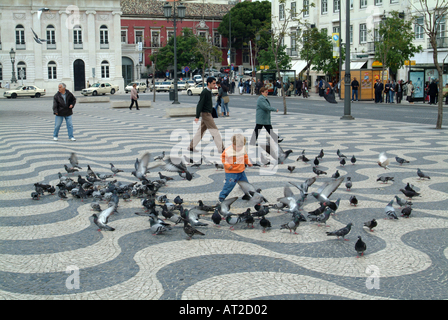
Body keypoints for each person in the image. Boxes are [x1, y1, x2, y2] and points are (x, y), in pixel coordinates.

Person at [189, 77, 224, 153]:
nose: (215, 85)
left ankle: (191, 146)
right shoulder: (205, 92)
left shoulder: (209, 91)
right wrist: (197, 116)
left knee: (200, 131)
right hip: (206, 115)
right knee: (214, 131)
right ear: (209, 83)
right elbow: (200, 104)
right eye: (213, 83)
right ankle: (221, 148)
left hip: (208, 113)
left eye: (215, 83)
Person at [218, 134, 252, 202]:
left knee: (245, 184)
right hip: (231, 172)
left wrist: (248, 162)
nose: (240, 148)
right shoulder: (228, 151)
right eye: (238, 146)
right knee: (229, 185)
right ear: (233, 144)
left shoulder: (242, 149)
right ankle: (222, 196)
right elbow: (223, 159)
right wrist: (227, 165)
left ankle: (248, 194)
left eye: (242, 146)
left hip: (241, 171)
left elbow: (245, 156)